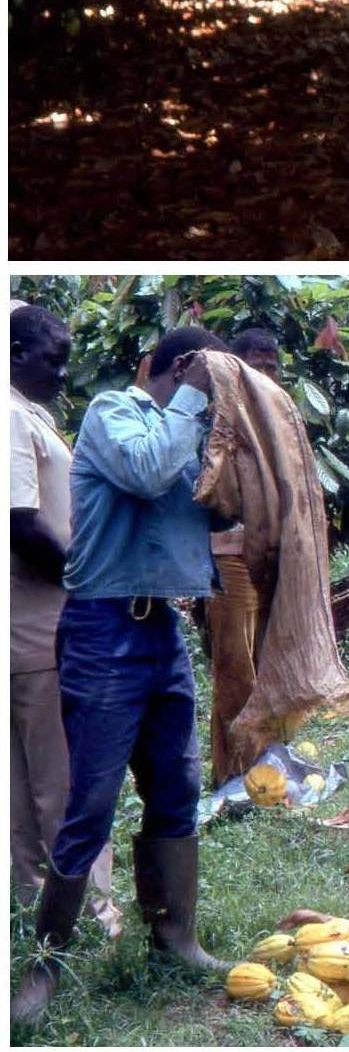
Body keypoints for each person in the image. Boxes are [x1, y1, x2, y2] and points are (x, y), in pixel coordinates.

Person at [12, 327, 230, 1025]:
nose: (200, 399)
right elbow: (147, 470)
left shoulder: (188, 431)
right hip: (104, 627)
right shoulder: (115, 413)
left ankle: (175, 937)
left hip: (159, 628)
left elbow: (214, 506)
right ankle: (47, 966)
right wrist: (196, 396)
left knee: (177, 783)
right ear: (168, 370)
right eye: (194, 381)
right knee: (90, 800)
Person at [10, 304, 121, 943]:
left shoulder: (30, 414)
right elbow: (24, 524)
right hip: (42, 628)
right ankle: (89, 917)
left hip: (30, 629)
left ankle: (36, 915)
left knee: (25, 791)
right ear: (17, 353)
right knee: (67, 784)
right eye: (52, 360)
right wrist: (88, 581)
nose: (61, 372)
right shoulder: (9, 416)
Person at [204, 327, 283, 786]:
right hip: (229, 555)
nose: (267, 373)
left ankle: (259, 764)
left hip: (267, 554)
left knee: (264, 660)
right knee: (235, 666)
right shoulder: (222, 416)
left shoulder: (276, 415)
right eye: (258, 363)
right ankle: (238, 773)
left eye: (273, 365)